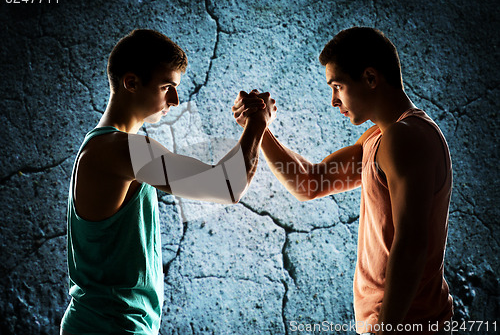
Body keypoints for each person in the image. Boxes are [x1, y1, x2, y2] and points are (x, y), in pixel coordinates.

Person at [233, 27, 453, 335]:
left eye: (337, 86)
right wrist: (260, 127)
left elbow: (411, 245)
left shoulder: (405, 138)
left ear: (370, 78)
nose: (334, 101)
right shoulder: (380, 137)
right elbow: (309, 183)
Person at [60, 29, 275, 335]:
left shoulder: (109, 147)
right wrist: (257, 122)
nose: (175, 100)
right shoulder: (119, 149)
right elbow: (227, 185)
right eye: (166, 87)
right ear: (131, 82)